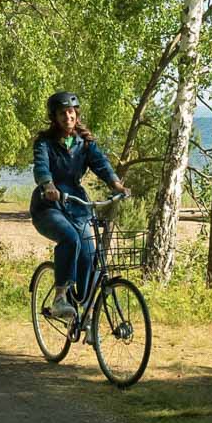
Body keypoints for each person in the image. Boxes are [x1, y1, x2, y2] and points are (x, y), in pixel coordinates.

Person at [31, 91, 125, 318]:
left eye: (71, 112)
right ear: (54, 117)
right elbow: (41, 166)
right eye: (62, 113)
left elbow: (100, 163)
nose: (68, 117)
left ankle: (85, 311)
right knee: (70, 238)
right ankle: (60, 298)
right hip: (48, 206)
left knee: (89, 255)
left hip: (76, 204)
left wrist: (116, 185)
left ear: (76, 114)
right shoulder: (44, 142)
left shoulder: (84, 142)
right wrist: (48, 185)